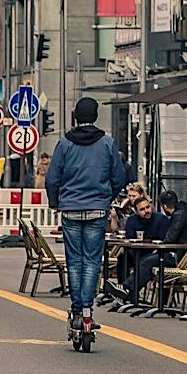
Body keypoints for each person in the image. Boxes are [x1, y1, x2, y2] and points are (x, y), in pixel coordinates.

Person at [45, 96, 128, 339]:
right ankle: (88, 308)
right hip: (97, 209)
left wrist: (55, 202)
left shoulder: (65, 144)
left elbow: (53, 178)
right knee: (92, 260)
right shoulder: (107, 144)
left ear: (75, 116)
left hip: (70, 209)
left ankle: (76, 309)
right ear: (95, 116)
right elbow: (119, 176)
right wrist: (106, 197)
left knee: (74, 261)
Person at [140, 189, 187, 318]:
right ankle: (159, 301)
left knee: (149, 261)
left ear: (164, 206)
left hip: (180, 258)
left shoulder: (178, 216)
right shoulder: (184, 212)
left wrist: (163, 243)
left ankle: (129, 290)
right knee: (150, 260)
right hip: (183, 256)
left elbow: (170, 238)